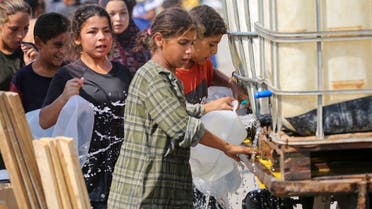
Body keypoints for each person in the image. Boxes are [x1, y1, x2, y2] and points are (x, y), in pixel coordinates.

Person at [108, 7, 253, 209]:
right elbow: (184, 128)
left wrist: (207, 108)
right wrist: (227, 147)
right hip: (142, 194)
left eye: (191, 43)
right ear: (160, 40)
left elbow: (180, 109)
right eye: (183, 43)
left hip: (163, 189)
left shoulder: (167, 77)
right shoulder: (154, 78)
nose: (188, 50)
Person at [39, 5, 133, 209]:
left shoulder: (124, 74)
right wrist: (64, 97)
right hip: (86, 180)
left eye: (106, 31)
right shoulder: (68, 75)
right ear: (77, 38)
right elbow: (44, 120)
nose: (101, 37)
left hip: (124, 177)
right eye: (92, 31)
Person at [176, 4, 247, 105]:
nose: (215, 51)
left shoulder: (203, 65)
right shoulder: (172, 76)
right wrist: (211, 107)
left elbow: (212, 74)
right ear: (192, 38)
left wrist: (233, 85)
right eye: (211, 44)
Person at [9, 12, 70, 113]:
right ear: (38, 42)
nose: (63, 51)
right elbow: (14, 117)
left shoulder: (72, 74)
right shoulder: (22, 79)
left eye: (67, 45)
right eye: (57, 45)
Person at [99, 0, 149, 75]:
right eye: (112, 14)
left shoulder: (142, 42)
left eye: (123, 13)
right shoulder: (97, 45)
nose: (118, 18)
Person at [0, 0, 38, 90]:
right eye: (14, 29)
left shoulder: (31, 52)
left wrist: (37, 67)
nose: (21, 35)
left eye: (26, 28)